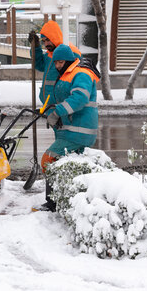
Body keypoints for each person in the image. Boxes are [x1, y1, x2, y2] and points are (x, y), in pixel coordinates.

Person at [38, 44, 100, 212]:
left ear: (69, 60)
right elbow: (63, 97)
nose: (58, 66)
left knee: (48, 160)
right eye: (56, 62)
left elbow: (79, 98)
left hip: (78, 131)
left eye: (60, 62)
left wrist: (58, 112)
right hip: (71, 129)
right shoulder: (69, 73)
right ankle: (66, 199)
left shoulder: (81, 73)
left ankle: (52, 203)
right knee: (68, 165)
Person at [28, 20, 81, 106]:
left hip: (61, 105)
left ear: (55, 37)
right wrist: (36, 47)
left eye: (48, 40)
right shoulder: (50, 54)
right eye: (43, 41)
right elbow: (39, 65)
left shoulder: (70, 52)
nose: (46, 44)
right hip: (50, 103)